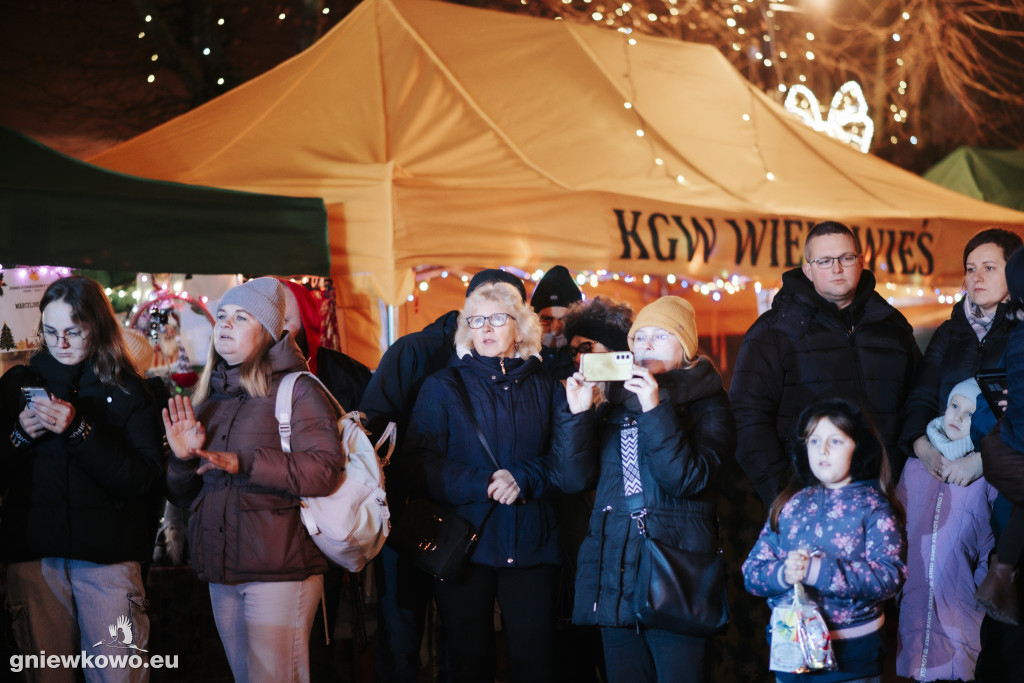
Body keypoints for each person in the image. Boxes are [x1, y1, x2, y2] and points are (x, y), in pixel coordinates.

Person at [400, 278, 593, 683]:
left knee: (536, 665)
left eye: (497, 319)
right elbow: (416, 465)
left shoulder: (548, 389)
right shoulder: (442, 387)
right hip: (464, 545)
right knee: (468, 664)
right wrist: (483, 482)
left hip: (533, 545)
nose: (485, 328)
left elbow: (569, 471)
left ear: (520, 328)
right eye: (476, 320)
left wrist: (523, 477)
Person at [163, 277, 344, 683]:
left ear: (267, 332)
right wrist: (181, 460)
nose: (225, 325)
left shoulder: (298, 390)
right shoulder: (208, 398)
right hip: (222, 570)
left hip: (281, 570)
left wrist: (244, 462)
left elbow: (324, 470)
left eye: (241, 317)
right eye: (222, 316)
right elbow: (183, 494)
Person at [359, 268, 527, 683]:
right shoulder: (415, 351)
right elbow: (370, 430)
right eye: (486, 312)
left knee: (461, 639)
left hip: (474, 520)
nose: (493, 323)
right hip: (411, 516)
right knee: (403, 631)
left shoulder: (517, 363)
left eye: (505, 313)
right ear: (469, 308)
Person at [0, 275, 164, 683]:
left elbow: (143, 480)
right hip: (36, 559)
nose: (61, 342)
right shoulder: (17, 385)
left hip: (108, 561)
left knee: (117, 675)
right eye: (50, 331)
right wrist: (19, 436)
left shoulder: (130, 391)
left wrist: (80, 432)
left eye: (73, 332)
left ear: (98, 326)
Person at [567, 296, 735, 683]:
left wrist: (654, 408)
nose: (646, 345)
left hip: (675, 574)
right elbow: (574, 480)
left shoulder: (710, 404)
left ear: (686, 347)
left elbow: (687, 480)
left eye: (660, 336)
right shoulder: (613, 402)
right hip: (614, 570)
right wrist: (577, 416)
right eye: (639, 337)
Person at [897, 228, 1023, 681]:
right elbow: (920, 397)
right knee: (932, 575)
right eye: (971, 269)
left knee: (989, 588)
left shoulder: (1020, 331)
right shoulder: (951, 331)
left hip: (1001, 479)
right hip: (939, 475)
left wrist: (981, 462)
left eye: (990, 267)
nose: (977, 277)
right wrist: (921, 446)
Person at [730, 220, 921, 507]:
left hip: (888, 497)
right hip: (808, 500)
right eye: (825, 261)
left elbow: (919, 403)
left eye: (846, 258)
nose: (837, 268)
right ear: (807, 270)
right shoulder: (773, 332)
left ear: (860, 262)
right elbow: (748, 420)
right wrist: (786, 497)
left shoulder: (892, 329)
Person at [743, 399, 906, 683]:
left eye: (836, 441)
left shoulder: (873, 508)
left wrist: (818, 571)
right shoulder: (789, 505)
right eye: (814, 440)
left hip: (852, 658)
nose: (823, 450)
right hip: (791, 653)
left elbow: (889, 577)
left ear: (859, 447)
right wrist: (783, 574)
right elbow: (752, 571)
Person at [554, 295, 633, 683]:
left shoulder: (643, 396)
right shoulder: (574, 398)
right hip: (584, 549)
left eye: (587, 347)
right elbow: (572, 477)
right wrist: (579, 414)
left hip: (632, 548)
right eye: (573, 351)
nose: (579, 358)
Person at [896, 379, 997, 682]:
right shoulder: (914, 465)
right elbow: (896, 527)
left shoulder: (987, 476)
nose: (958, 416)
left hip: (963, 610)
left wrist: (978, 587)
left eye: (970, 413)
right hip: (913, 603)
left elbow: (993, 541)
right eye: (955, 405)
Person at [530, 265, 582, 380]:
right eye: (546, 320)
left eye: (563, 320)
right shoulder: (518, 360)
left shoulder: (585, 361)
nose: (554, 331)